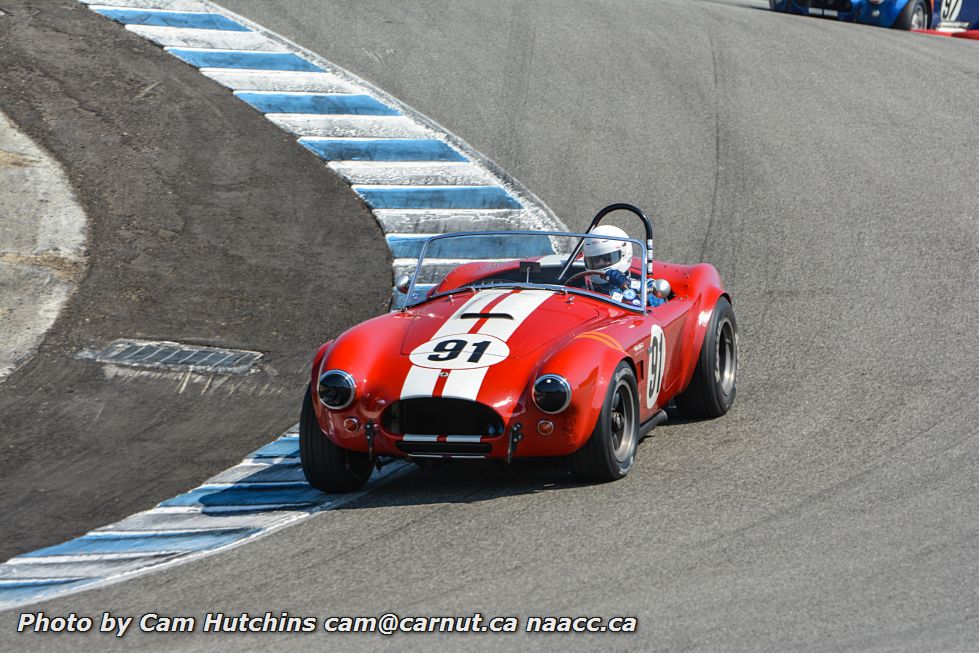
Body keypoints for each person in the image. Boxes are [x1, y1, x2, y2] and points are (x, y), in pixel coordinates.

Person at [582, 225, 665, 307]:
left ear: (624, 253)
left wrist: (623, 285)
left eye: (606, 258)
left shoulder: (647, 288)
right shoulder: (583, 290)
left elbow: (654, 314)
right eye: (595, 260)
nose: (599, 263)